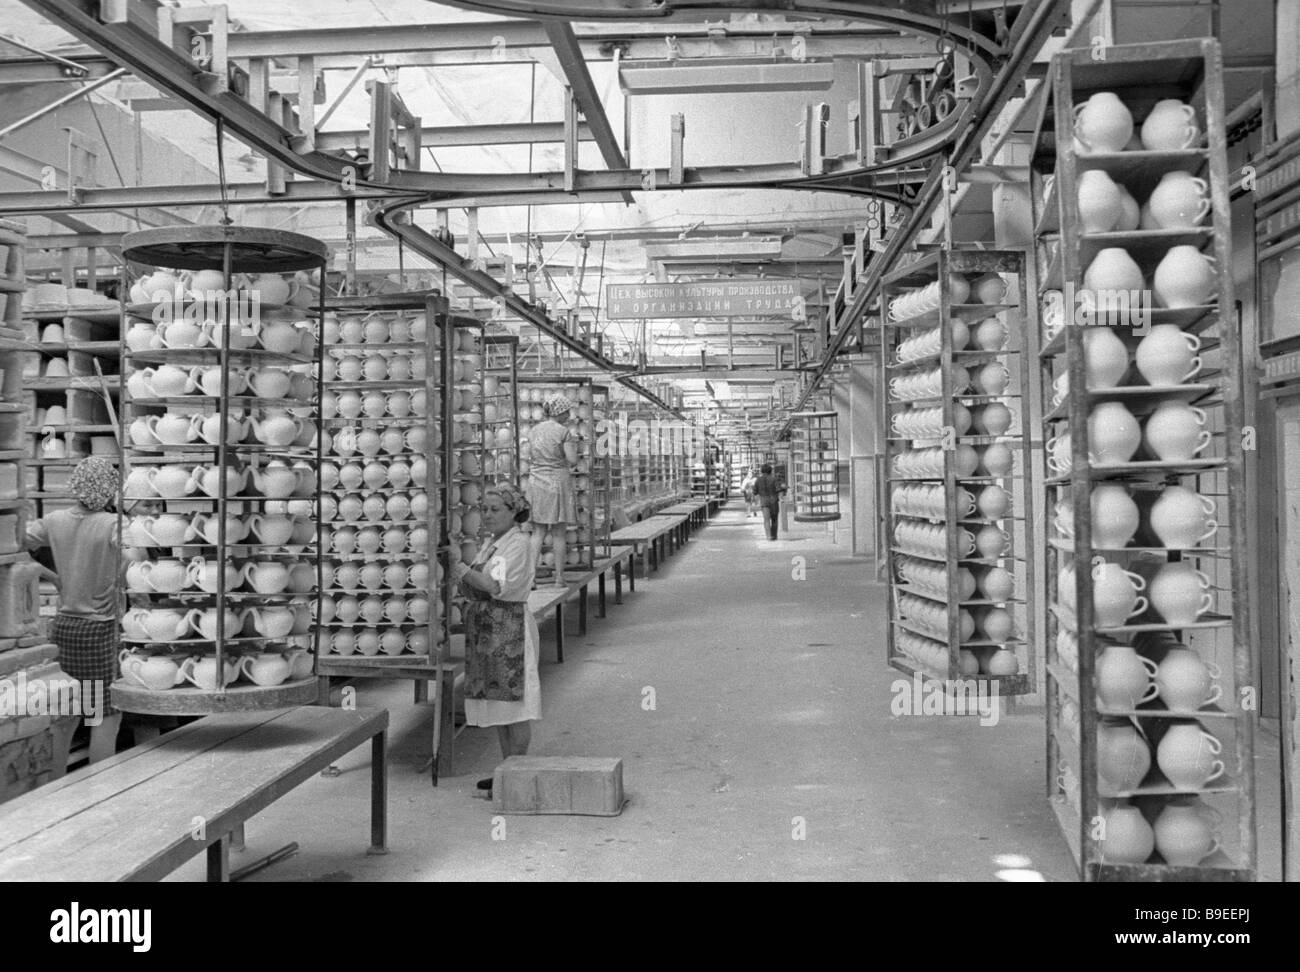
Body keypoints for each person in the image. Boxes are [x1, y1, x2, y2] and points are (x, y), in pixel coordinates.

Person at [24, 457, 122, 762]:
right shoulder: (112, 524)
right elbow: (136, 557)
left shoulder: (53, 520)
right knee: (104, 715)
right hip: (99, 629)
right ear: (109, 490)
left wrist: (52, 576)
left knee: (66, 714)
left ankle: (56, 790)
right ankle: (98, 793)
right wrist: (115, 586)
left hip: (64, 627)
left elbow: (12, 543)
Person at [450, 483, 540, 793]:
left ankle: (516, 776)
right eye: (483, 509)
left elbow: (491, 584)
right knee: (501, 708)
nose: (487, 515)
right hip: (490, 628)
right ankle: (507, 771)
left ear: (514, 512)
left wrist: (457, 566)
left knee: (515, 709)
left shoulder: (518, 544)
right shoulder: (493, 542)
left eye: (495, 510)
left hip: (509, 627)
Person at [524, 392, 580, 587]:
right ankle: (558, 578)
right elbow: (572, 460)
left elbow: (529, 456)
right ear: (561, 411)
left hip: (537, 483)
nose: (569, 416)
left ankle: (530, 579)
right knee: (558, 533)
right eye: (567, 412)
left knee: (537, 532)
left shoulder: (533, 431)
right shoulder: (563, 432)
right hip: (557, 485)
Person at [753, 463, 787, 541]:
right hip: (773, 500)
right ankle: (774, 535)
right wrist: (781, 499)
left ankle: (768, 536)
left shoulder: (758, 480)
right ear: (770, 471)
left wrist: (756, 501)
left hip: (764, 501)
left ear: (761, 471)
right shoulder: (773, 479)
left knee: (766, 519)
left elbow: (755, 492)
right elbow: (778, 490)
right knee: (774, 519)